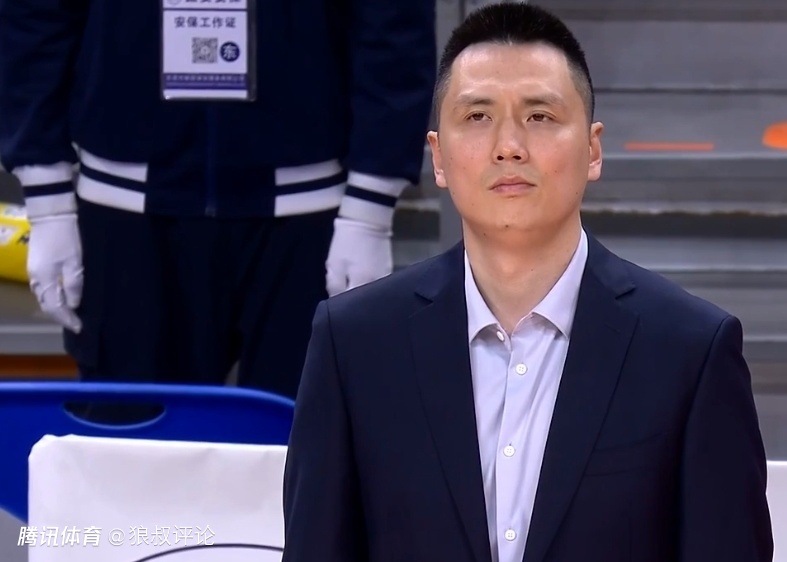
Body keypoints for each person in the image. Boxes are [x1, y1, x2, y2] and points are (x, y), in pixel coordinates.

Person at [282, 3, 773, 561]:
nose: (508, 145)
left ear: (592, 150)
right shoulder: (354, 345)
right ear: (438, 157)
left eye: (539, 116)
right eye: (477, 116)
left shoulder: (691, 351)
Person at [0, 0, 435, 398]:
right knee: (135, 444)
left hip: (309, 213)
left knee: (302, 447)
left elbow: (393, 20)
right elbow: (35, 15)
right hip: (126, 212)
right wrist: (47, 199)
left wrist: (368, 211)